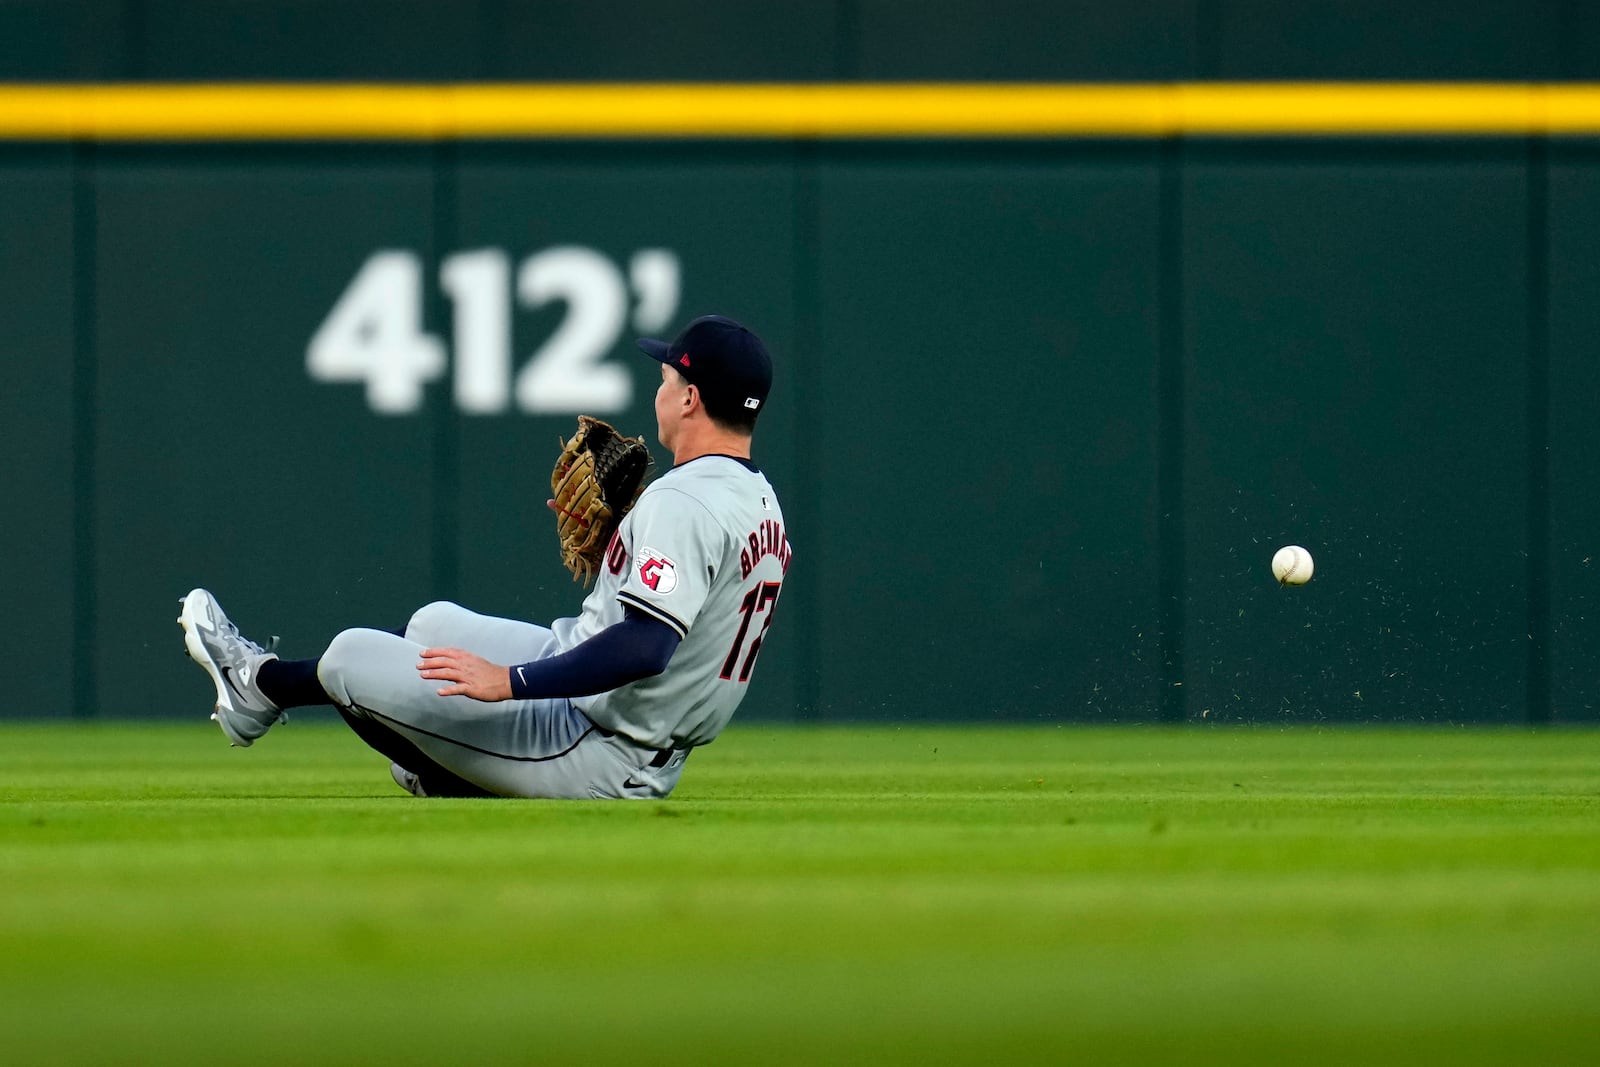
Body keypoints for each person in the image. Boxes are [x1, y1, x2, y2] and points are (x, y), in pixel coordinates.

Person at [178, 315, 792, 799]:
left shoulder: (684, 499)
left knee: (349, 659)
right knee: (431, 625)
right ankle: (260, 691)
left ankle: (450, 771)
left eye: (665, 379)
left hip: (598, 748)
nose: (658, 390)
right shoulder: (756, 498)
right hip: (620, 714)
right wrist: (619, 552)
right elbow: (693, 613)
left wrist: (509, 683)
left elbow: (646, 646)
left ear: (690, 399)